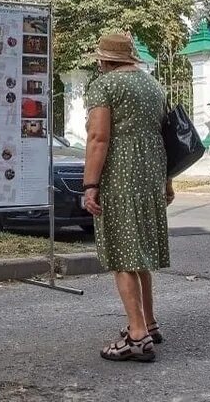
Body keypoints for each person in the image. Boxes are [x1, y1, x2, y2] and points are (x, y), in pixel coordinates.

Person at [81, 32, 173, 363]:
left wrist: (90, 183)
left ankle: (136, 337)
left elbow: (98, 137)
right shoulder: (153, 86)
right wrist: (168, 180)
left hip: (120, 175)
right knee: (141, 253)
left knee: (122, 254)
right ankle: (148, 322)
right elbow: (166, 135)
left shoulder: (104, 86)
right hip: (151, 172)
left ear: (104, 60)